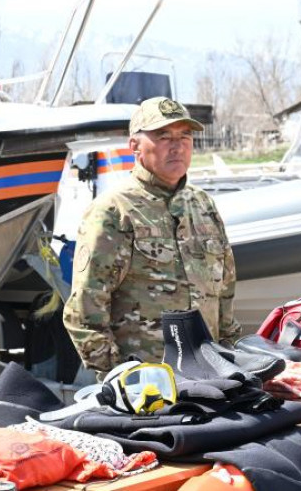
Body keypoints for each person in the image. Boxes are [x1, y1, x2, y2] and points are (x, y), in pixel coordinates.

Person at [63, 97, 242, 378]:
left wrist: (230, 356)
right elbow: (85, 308)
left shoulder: (203, 205)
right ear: (134, 146)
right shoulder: (114, 210)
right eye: (164, 136)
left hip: (210, 376)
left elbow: (225, 291)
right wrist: (120, 377)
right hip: (148, 381)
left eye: (185, 136)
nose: (177, 146)